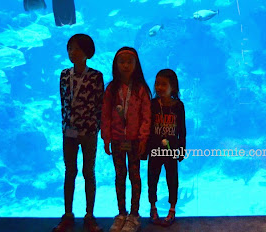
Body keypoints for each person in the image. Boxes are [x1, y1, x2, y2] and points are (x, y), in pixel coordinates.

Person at [53, 34, 105, 232]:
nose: (72, 52)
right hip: (69, 132)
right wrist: (66, 125)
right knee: (70, 171)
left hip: (89, 131)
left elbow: (99, 104)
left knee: (88, 172)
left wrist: (95, 127)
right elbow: (64, 102)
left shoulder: (96, 76)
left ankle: (90, 215)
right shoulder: (64, 75)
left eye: (76, 48)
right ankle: (67, 214)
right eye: (69, 48)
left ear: (87, 52)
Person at [101, 47, 152, 232]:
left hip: (135, 141)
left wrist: (143, 138)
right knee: (120, 176)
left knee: (135, 176)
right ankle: (121, 213)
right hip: (116, 140)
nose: (125, 65)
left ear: (136, 64)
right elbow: (105, 115)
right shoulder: (111, 89)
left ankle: (134, 215)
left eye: (129, 62)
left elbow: (146, 116)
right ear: (115, 64)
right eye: (121, 62)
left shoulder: (141, 89)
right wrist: (106, 137)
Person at [148, 69, 186, 227]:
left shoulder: (178, 106)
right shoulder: (152, 104)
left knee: (172, 178)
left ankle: (172, 208)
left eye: (164, 84)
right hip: (154, 149)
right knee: (152, 178)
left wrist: (182, 149)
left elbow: (182, 130)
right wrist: (145, 149)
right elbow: (148, 128)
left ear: (173, 87)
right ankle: (153, 207)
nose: (159, 87)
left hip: (171, 151)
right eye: (157, 84)